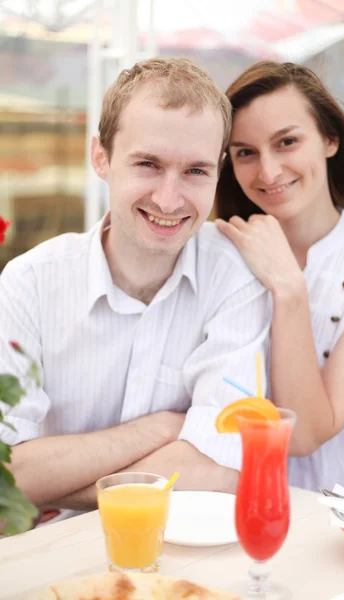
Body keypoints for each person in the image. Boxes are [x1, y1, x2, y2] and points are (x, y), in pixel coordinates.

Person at [0, 58, 269, 513]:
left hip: (186, 561)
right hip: (54, 563)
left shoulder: (236, 278)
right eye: (148, 163)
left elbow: (219, 469)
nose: (169, 198)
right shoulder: (28, 283)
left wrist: (61, 487)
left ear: (218, 170)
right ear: (100, 157)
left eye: (195, 171)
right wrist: (163, 428)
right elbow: (9, 476)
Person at [215, 61, 344, 494]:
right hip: (232, 515)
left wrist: (288, 287)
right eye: (245, 152)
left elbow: (305, 432)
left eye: (287, 142)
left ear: (330, 139)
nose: (269, 171)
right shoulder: (218, 254)